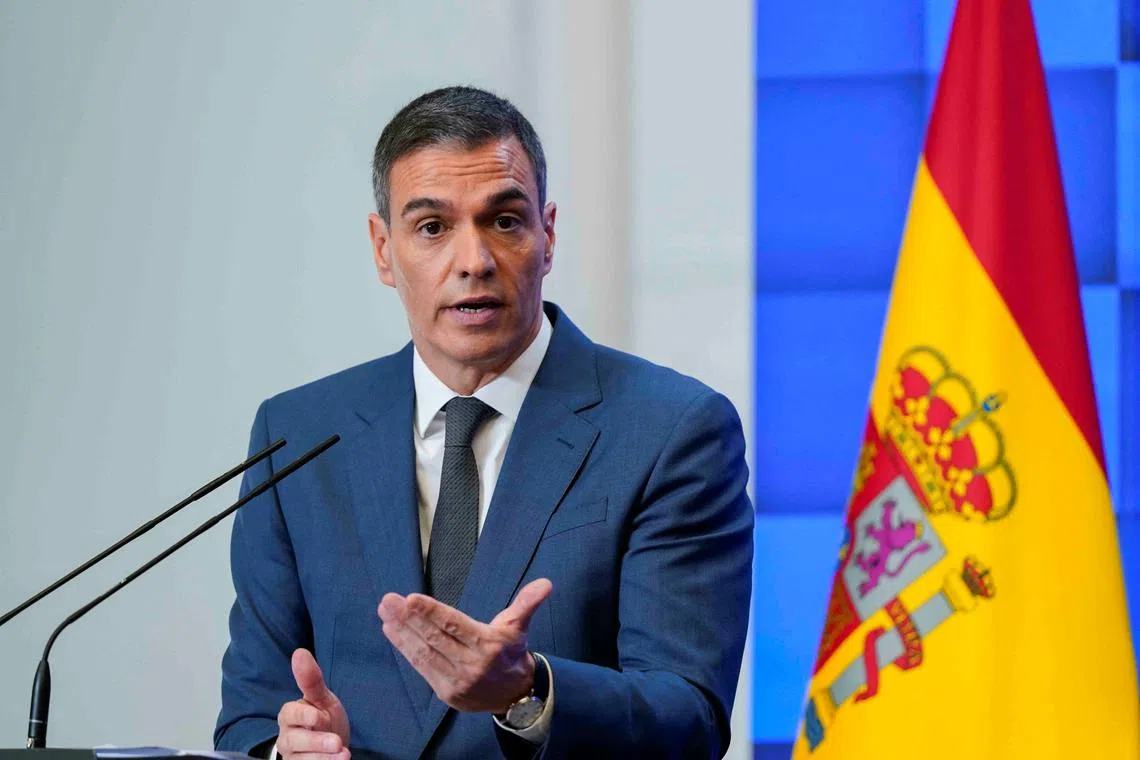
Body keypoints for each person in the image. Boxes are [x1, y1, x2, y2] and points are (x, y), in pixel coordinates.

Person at [213, 86, 753, 760]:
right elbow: (248, 721)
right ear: (384, 249)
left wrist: (528, 690)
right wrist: (285, 750)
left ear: (547, 235)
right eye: (433, 227)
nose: (473, 261)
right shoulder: (297, 436)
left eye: (503, 220)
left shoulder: (672, 431)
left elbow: (689, 719)